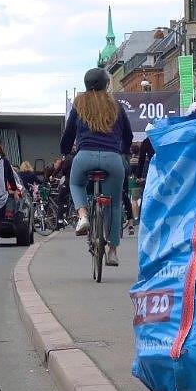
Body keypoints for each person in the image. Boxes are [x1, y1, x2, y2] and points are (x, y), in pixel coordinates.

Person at [61, 67, 133, 266]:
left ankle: (83, 216)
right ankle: (112, 251)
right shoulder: (116, 105)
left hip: (85, 156)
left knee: (75, 184)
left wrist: (66, 150)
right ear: (106, 84)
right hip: (113, 159)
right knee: (115, 204)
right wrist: (124, 152)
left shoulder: (79, 104)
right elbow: (128, 136)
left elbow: (68, 134)